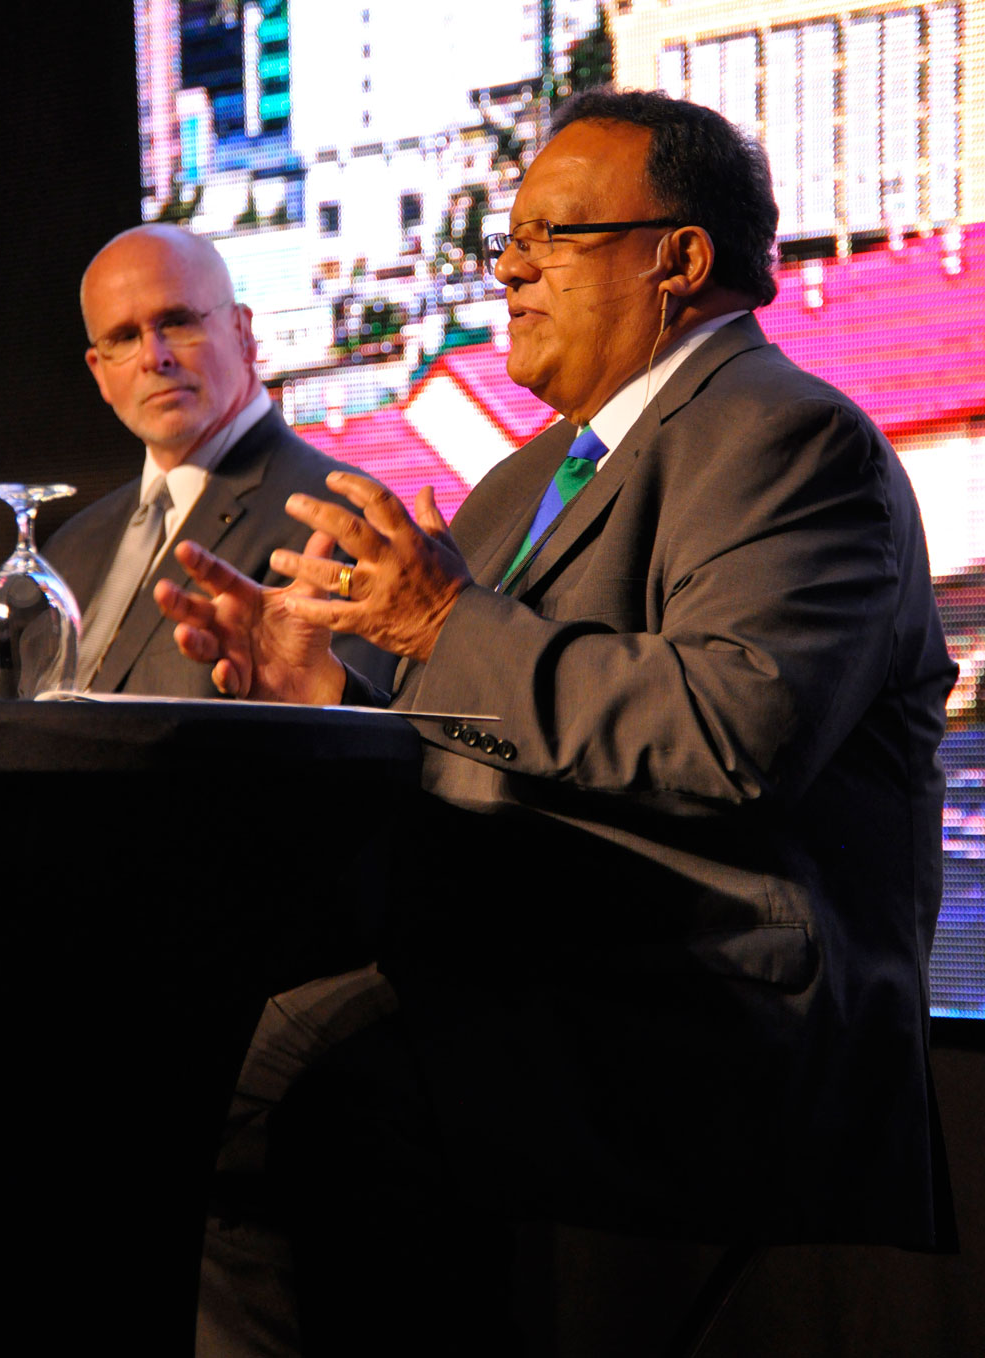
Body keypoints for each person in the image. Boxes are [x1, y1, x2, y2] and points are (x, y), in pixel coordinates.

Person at [157, 90, 957, 1354]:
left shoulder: (794, 440)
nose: (508, 268)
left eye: (550, 237)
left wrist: (441, 622)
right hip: (536, 959)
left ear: (676, 259)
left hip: (715, 1006)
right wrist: (327, 690)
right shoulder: (526, 476)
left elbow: (731, 732)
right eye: (507, 240)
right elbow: (478, 730)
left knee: (287, 1074)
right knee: (196, 1033)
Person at [45, 223, 393, 696]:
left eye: (177, 322)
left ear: (243, 333)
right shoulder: (67, 550)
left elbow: (360, 730)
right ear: (99, 372)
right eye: (124, 338)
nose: (153, 357)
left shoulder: (341, 522)